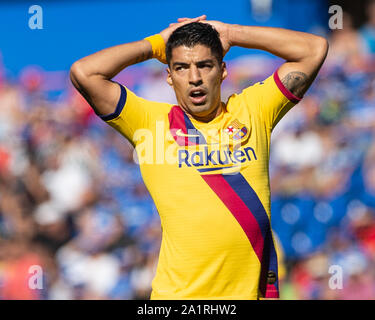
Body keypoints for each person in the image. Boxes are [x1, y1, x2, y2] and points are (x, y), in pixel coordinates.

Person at [70, 15, 328, 300]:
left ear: (222, 70)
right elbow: (84, 72)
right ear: (169, 76)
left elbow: (314, 49)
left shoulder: (253, 110)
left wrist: (232, 33)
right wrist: (157, 44)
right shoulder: (148, 123)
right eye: (181, 67)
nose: (194, 78)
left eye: (204, 65)